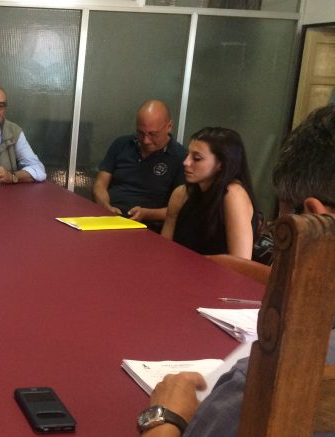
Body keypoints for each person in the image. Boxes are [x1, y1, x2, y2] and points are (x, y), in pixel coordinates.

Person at [138, 104, 335, 437]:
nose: (186, 163)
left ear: (315, 218)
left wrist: (164, 417)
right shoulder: (182, 195)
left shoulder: (270, 380)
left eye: (282, 223)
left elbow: (238, 259)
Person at [161, 127, 258, 259]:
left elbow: (240, 263)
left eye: (197, 158)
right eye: (188, 155)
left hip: (217, 271)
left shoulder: (233, 195)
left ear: (221, 163)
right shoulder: (180, 194)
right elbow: (165, 249)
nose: (186, 162)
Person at [92, 100, 187, 226]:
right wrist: (105, 206)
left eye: (153, 134)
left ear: (169, 127)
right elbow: (100, 184)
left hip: (148, 225)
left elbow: (179, 211)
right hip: (108, 218)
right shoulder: (121, 144)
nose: (146, 140)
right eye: (141, 133)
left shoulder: (181, 157)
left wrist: (146, 214)